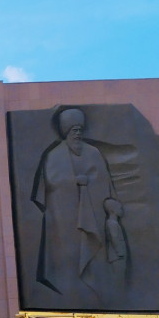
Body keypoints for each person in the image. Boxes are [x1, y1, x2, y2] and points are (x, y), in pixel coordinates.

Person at [32, 108, 122, 302]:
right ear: (66, 131)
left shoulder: (94, 153)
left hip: (94, 214)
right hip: (64, 219)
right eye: (74, 130)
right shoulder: (55, 155)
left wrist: (93, 187)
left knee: (95, 254)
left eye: (80, 129)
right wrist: (75, 181)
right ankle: (70, 287)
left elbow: (104, 181)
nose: (78, 133)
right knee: (68, 256)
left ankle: (98, 290)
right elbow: (52, 182)